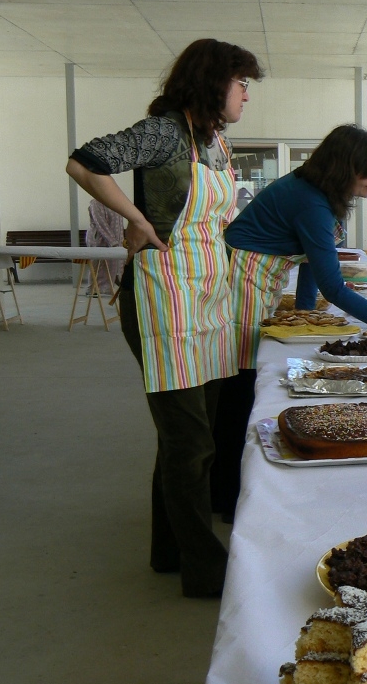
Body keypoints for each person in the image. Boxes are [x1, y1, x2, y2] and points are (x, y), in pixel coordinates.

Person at [66, 38, 263, 598]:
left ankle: (168, 550)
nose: (246, 94)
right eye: (241, 83)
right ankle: (204, 571)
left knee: (189, 438)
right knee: (190, 441)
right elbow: (85, 161)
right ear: (212, 82)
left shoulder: (216, 141)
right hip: (162, 297)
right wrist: (133, 217)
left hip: (207, 295)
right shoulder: (164, 132)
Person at [213, 125, 367, 520]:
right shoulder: (311, 203)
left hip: (259, 277)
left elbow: (311, 258)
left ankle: (224, 490)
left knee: (244, 382)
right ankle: (225, 496)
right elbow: (334, 283)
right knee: (242, 383)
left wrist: (305, 316)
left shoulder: (317, 194)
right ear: (345, 171)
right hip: (242, 279)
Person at [85, 198, 124, 295]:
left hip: (116, 240)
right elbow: (100, 224)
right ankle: (94, 289)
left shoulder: (115, 202)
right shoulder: (96, 203)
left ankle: (109, 287)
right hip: (99, 240)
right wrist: (113, 242)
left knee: (114, 264)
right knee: (99, 265)